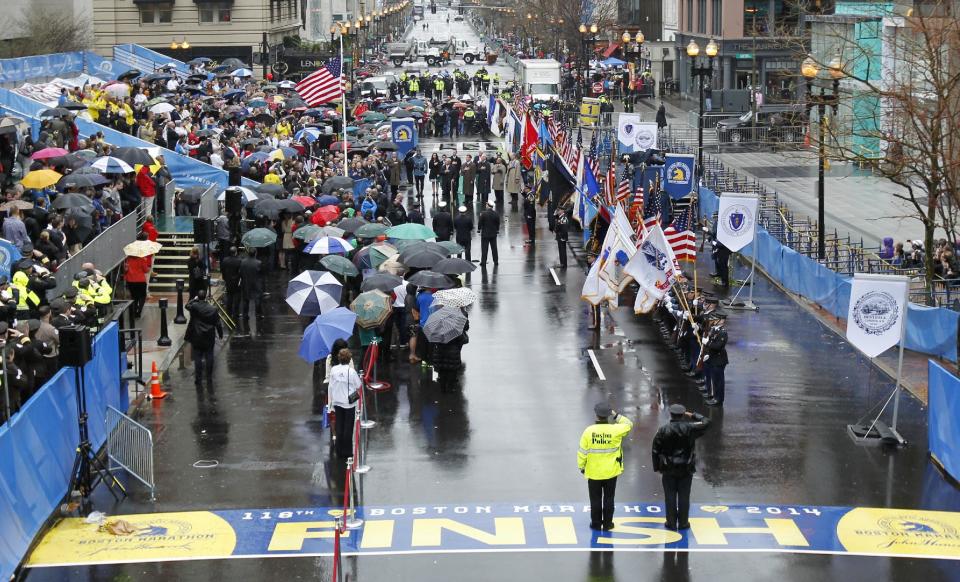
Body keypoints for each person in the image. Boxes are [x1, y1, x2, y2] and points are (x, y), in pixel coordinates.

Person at [651, 404, 711, 531]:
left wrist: (657, 467)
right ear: (683, 415)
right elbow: (707, 422)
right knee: (684, 496)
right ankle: (683, 522)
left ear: (671, 415)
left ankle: (671, 522)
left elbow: (655, 450)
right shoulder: (690, 428)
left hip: (668, 468)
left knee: (670, 495)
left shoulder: (663, 430)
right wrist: (694, 415)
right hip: (686, 467)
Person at [577, 403, 633, 531]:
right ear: (608, 415)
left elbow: (582, 452)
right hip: (611, 472)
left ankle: (596, 523)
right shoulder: (616, 430)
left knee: (595, 499)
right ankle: (608, 524)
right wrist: (616, 415)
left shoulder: (589, 431)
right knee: (609, 498)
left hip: (593, 472)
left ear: (596, 415)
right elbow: (629, 424)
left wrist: (581, 466)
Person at [184, 289, 223, 387]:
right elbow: (218, 323)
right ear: (205, 297)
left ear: (198, 297)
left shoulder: (194, 307)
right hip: (209, 335)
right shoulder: (212, 309)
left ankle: (198, 378)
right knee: (209, 355)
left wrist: (194, 299)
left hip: (197, 335)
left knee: (197, 357)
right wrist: (220, 333)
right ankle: (209, 377)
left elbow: (186, 306)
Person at [329, 347, 362, 458]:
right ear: (349, 359)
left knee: (339, 426)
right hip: (349, 403)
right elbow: (358, 385)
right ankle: (347, 451)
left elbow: (331, 384)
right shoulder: (351, 371)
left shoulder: (333, 369)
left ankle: (338, 449)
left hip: (337, 401)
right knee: (348, 427)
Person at [702, 311, 729, 406]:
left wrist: (707, 343)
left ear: (721, 321)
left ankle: (718, 400)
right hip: (713, 358)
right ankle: (715, 397)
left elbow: (718, 346)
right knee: (714, 379)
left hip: (719, 360)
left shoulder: (722, 333)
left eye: (716, 319)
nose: (714, 320)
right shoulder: (714, 329)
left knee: (718, 381)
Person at [123, 235, 153, 319]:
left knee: (134, 296)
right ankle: (139, 312)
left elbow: (125, 270)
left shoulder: (128, 259)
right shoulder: (142, 259)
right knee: (142, 296)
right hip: (140, 280)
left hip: (130, 280)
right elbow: (146, 270)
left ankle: (134, 309)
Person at [239, 249, 265, 321]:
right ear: (255, 254)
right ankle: (258, 315)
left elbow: (240, 273)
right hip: (256, 284)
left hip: (246, 283)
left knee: (245, 300)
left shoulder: (243, 262)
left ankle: (245, 315)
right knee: (257, 300)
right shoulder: (259, 263)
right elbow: (262, 275)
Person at [220, 246, 243, 322]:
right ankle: (235, 313)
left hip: (228, 281)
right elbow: (240, 272)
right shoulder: (239, 260)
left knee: (229, 298)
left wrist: (225, 278)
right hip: (236, 282)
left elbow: (222, 270)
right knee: (237, 299)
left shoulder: (225, 260)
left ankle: (228, 313)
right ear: (236, 252)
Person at [477, 201, 500, 266]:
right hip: (493, 234)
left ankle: (483, 262)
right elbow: (498, 223)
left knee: (484, 248)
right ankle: (496, 261)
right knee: (494, 248)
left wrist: (479, 229)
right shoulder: (496, 214)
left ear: (488, 205)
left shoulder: (483, 214)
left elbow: (480, 222)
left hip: (485, 234)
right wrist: (497, 230)